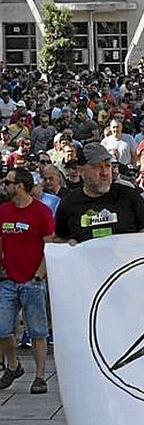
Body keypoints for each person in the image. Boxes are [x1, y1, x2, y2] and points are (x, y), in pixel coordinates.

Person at [0, 168, 54, 394]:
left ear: (20, 186)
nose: (5, 185)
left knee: (38, 331)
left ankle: (40, 376)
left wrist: (38, 275)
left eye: (8, 182)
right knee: (2, 329)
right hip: (8, 280)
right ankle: (14, 365)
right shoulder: (3, 211)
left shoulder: (41, 212)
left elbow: (48, 246)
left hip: (32, 280)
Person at [54, 143, 144, 244]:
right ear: (81, 171)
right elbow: (58, 239)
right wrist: (68, 244)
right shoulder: (68, 203)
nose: (105, 172)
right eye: (96, 167)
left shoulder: (129, 196)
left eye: (107, 166)